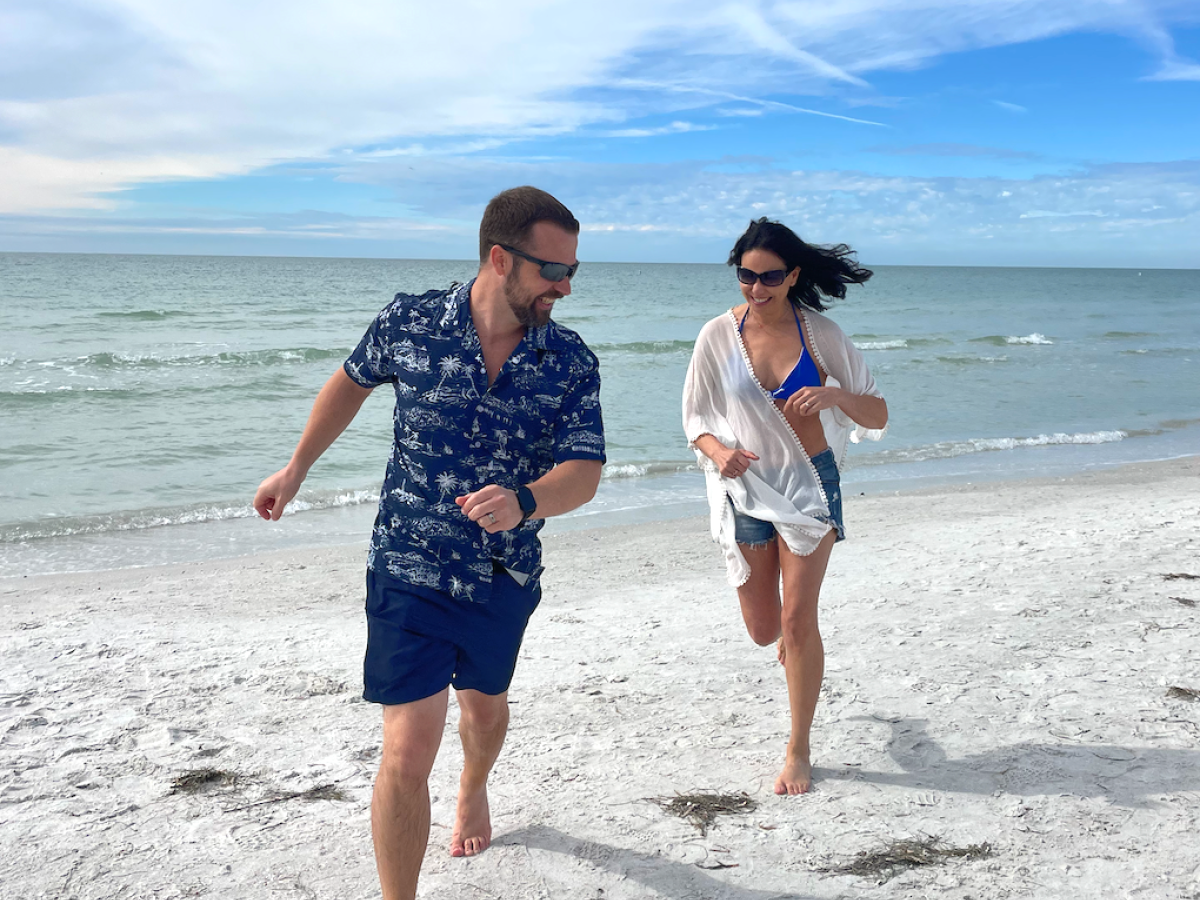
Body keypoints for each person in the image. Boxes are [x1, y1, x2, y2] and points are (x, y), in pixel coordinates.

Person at [252, 186, 605, 900]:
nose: (564, 288)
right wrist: (297, 468)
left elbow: (586, 471)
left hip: (501, 574)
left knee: (483, 708)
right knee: (407, 751)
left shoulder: (570, 360)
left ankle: (474, 788)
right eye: (551, 270)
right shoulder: (409, 322)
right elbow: (349, 385)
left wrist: (527, 500)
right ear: (500, 259)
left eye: (573, 271)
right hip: (407, 563)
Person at [682, 217, 887, 796]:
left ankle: (798, 748)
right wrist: (718, 451)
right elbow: (695, 420)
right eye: (747, 275)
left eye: (770, 276)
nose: (756, 287)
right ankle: (786, 645)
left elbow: (877, 414)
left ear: (794, 275)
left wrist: (834, 394)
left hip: (809, 487)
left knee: (798, 622)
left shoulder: (823, 336)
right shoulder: (716, 336)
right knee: (763, 628)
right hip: (748, 488)